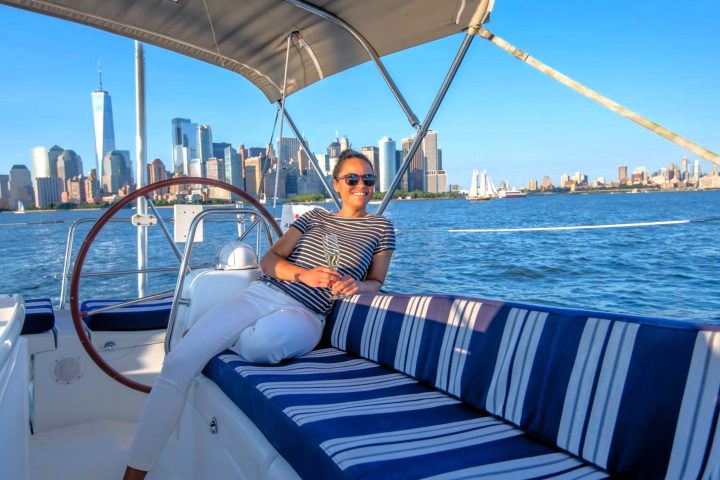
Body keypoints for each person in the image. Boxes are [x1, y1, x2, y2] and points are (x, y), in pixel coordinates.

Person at [123, 149, 395, 479]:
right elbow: (270, 261)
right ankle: (134, 474)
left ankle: (214, 336)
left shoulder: (381, 227)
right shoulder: (314, 217)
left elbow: (376, 282)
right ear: (337, 184)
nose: (361, 185)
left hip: (310, 314)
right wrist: (303, 274)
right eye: (352, 179)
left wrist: (357, 286)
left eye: (368, 179)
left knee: (262, 345)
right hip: (265, 293)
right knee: (179, 363)